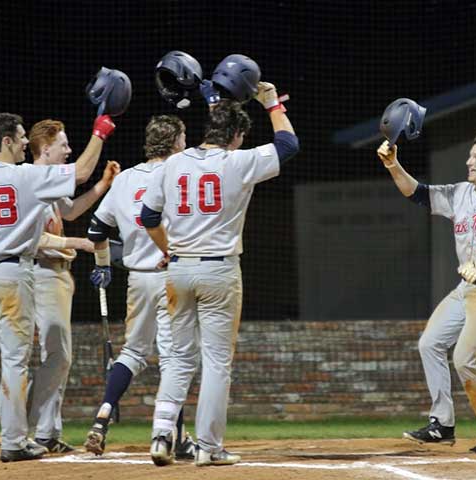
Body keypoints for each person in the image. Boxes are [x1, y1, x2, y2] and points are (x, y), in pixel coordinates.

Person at [142, 82, 299, 466]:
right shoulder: (238, 161)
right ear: (237, 136)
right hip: (218, 270)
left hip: (178, 269)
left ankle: (162, 434)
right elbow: (288, 145)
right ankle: (209, 447)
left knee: (178, 356)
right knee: (215, 361)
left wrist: (169, 251)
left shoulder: (173, 164)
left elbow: (147, 217)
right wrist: (272, 103)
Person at [0, 112, 115, 463]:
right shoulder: (25, 176)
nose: (26, 141)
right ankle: (14, 441)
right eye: (22, 137)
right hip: (12, 273)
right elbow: (81, 173)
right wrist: (99, 131)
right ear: (6, 140)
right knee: (14, 359)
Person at [376, 133, 476, 453]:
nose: (469, 162)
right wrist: (393, 165)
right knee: (429, 343)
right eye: (470, 155)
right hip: (466, 289)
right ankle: (442, 425)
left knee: (465, 359)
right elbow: (417, 193)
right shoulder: (461, 193)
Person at [83, 115, 195, 459]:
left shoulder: (126, 178)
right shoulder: (181, 173)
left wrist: (104, 265)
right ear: (175, 141)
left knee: (132, 353)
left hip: (137, 280)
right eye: (183, 137)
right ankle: (167, 437)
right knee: (174, 360)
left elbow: (96, 232)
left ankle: (103, 416)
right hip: (172, 275)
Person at [26, 119, 121, 453]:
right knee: (56, 355)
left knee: (58, 356)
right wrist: (79, 243)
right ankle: (30, 431)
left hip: (57, 274)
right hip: (41, 271)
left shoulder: (47, 185)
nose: (68, 150)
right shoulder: (31, 180)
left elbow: (69, 211)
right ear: (46, 148)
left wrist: (103, 186)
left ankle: (46, 432)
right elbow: (32, 238)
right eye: (63, 145)